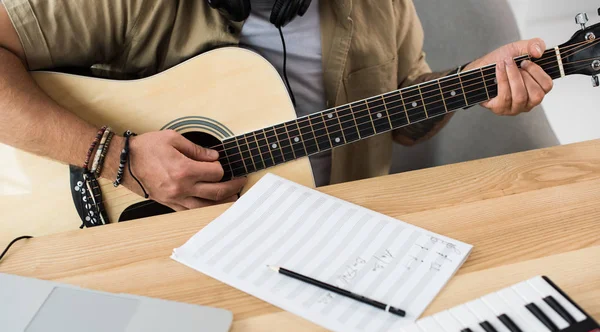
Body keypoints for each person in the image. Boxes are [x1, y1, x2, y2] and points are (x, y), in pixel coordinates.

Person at [0, 0, 553, 213]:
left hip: (335, 230)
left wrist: (469, 84)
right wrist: (113, 155)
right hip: (142, 236)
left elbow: (406, 121)